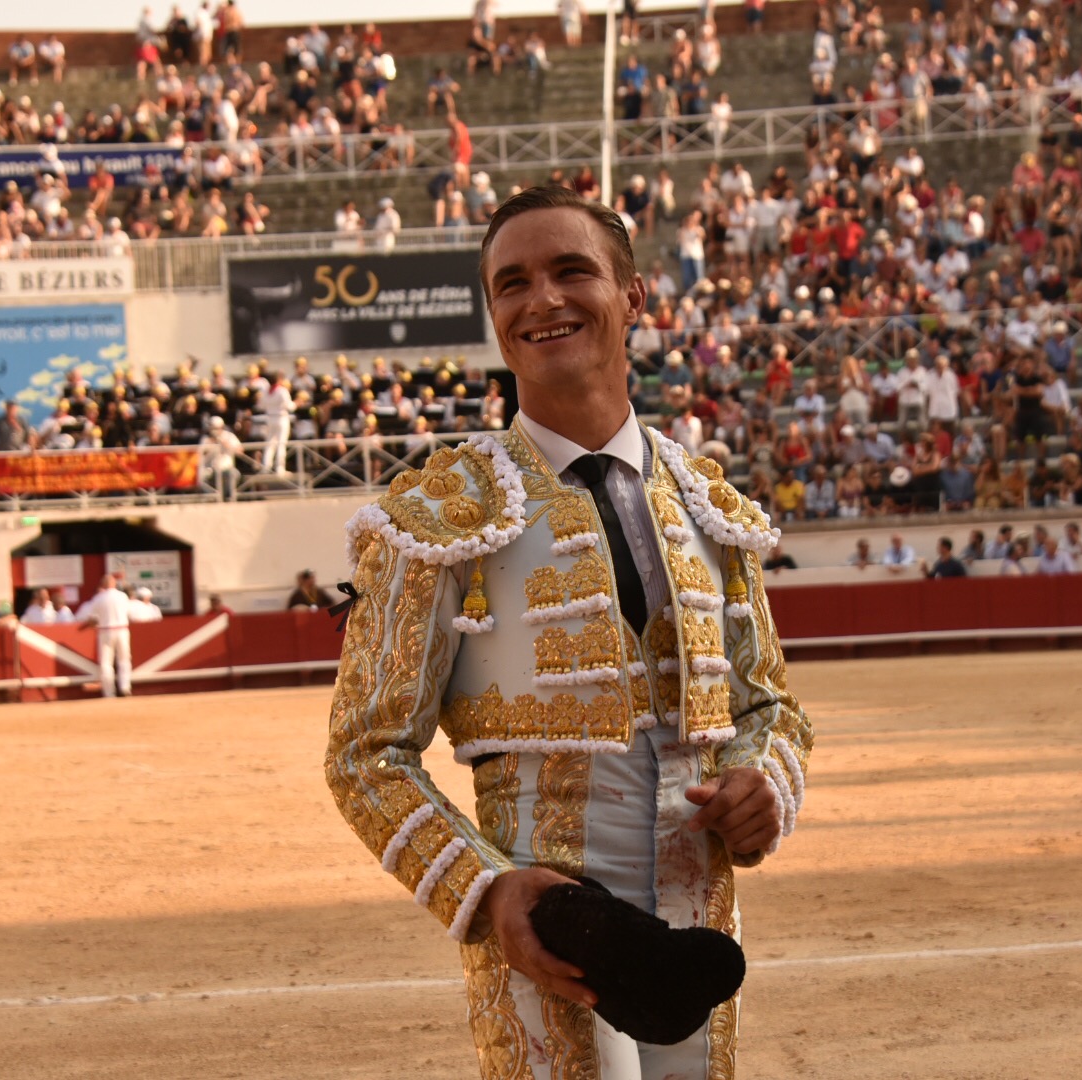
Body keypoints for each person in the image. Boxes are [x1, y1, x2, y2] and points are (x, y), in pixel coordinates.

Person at [326, 185, 810, 1079]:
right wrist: (484, 890)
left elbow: (771, 704)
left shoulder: (709, 505)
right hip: (544, 932)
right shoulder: (433, 516)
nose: (541, 299)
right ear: (495, 319)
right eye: (511, 284)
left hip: (698, 916)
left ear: (632, 296)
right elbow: (365, 751)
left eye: (570, 270)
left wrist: (765, 786)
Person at [78, 574, 133, 696]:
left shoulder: (98, 598)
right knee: (124, 660)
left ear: (102, 585)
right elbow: (129, 613)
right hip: (122, 630)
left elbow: (92, 620)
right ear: (114, 584)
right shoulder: (122, 596)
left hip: (105, 631)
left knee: (106, 663)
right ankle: (125, 687)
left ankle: (109, 692)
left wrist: (86, 627)